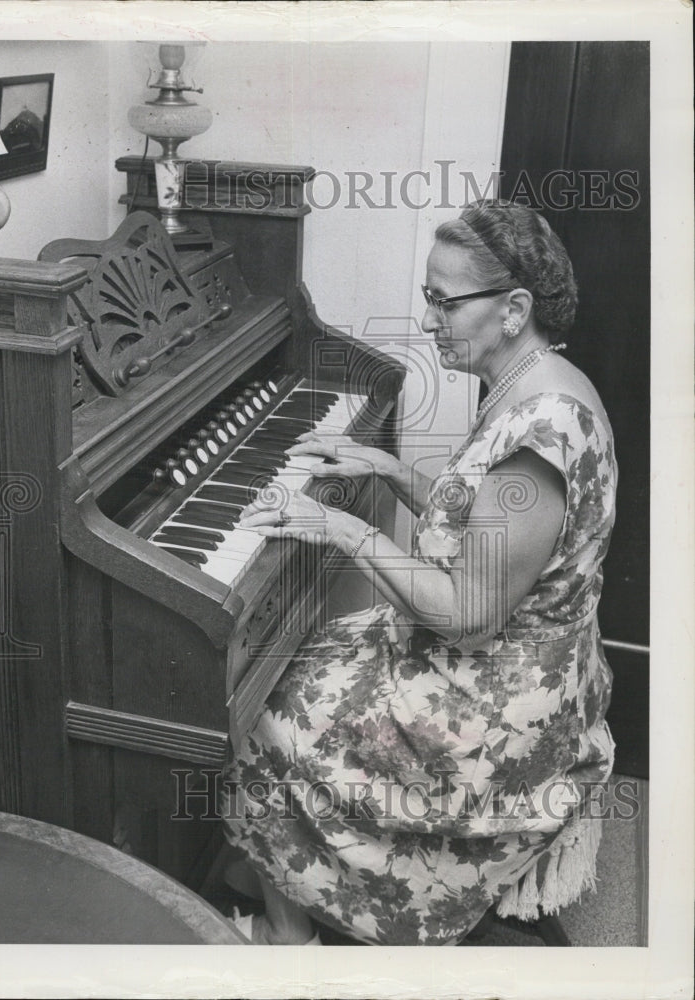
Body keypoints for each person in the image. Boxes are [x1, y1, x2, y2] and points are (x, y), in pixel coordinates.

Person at [221, 199, 617, 945]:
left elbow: (469, 612)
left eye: (444, 301)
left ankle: (289, 937)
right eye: (427, 297)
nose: (429, 319)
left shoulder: (540, 432)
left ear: (514, 307)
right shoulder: (539, 383)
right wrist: (392, 469)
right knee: (299, 659)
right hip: (529, 666)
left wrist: (340, 525)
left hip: (495, 700)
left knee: (262, 714)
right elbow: (488, 521)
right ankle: (284, 859)